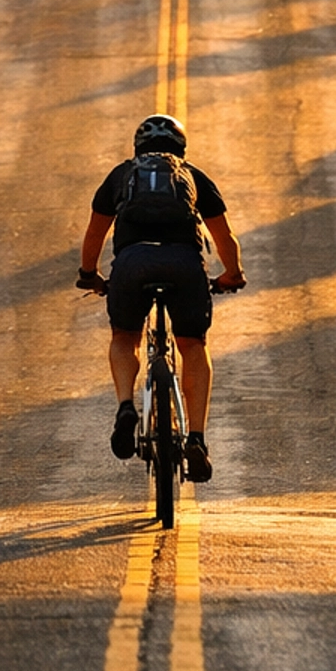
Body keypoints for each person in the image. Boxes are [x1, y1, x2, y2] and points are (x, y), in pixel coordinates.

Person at [76, 113, 245, 482]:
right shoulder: (192, 176)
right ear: (181, 146)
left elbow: (93, 236)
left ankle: (125, 406)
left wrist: (89, 275)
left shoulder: (121, 176)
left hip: (132, 265)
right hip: (185, 266)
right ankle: (196, 438)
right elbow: (224, 237)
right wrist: (232, 274)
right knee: (192, 345)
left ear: (138, 146)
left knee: (125, 337)